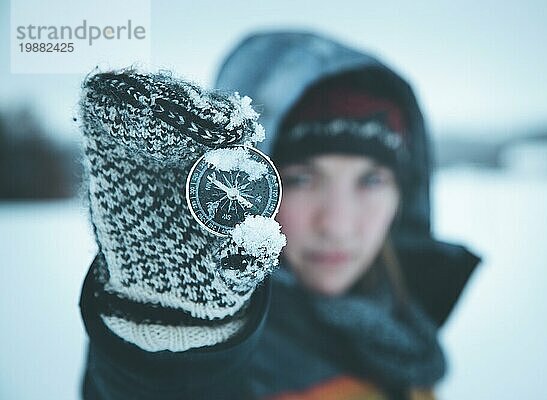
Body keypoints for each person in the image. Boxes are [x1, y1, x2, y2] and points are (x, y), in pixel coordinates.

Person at [78, 31, 480, 400]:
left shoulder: (407, 321)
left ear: (404, 196)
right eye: (302, 179)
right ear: (244, 182)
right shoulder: (222, 348)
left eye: (371, 180)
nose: (338, 226)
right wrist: (173, 340)